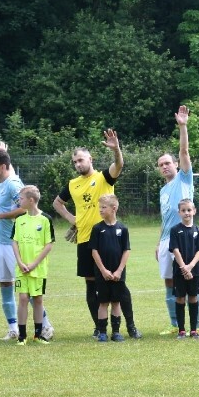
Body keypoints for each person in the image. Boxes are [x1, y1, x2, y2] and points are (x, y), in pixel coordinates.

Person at [53, 129, 139, 338]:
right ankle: (98, 328)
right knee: (91, 285)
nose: (78, 164)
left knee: (118, 285)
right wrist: (74, 220)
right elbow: (57, 203)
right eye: (75, 162)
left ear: (90, 159)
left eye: (81, 160)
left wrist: (116, 149)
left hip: (110, 240)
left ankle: (130, 326)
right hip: (86, 240)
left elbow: (119, 165)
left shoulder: (103, 178)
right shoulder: (72, 184)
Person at [0, 143, 53, 341]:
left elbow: (24, 209)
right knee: (5, 284)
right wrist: (4, 152)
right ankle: (13, 328)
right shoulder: (5, 181)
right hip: (2, 242)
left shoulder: (13, 184)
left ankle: (45, 326)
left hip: (15, 244)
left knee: (27, 288)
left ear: (2, 166)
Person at [156, 106, 194, 336]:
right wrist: (158, 242)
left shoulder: (184, 178)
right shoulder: (163, 191)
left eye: (167, 163)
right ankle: (174, 324)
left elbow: (184, 151)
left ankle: (193, 324)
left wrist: (182, 126)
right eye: (161, 165)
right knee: (169, 282)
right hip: (166, 242)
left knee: (189, 283)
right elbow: (165, 218)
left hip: (185, 240)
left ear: (176, 165)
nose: (164, 167)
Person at [10, 185, 55, 344]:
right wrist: (20, 262)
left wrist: (34, 263)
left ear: (31, 200)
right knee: (22, 298)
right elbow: (14, 242)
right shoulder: (19, 220)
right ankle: (22, 336)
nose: (18, 201)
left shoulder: (45, 219)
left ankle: (38, 335)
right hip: (22, 268)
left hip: (38, 269)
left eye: (21, 199)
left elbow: (48, 244)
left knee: (37, 299)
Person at [89, 194, 131, 342]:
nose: (100, 210)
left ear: (113, 209)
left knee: (116, 302)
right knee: (103, 302)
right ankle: (102, 332)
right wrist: (103, 270)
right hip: (102, 274)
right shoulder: (97, 229)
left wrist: (119, 270)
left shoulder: (123, 229)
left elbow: (126, 250)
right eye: (99, 207)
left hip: (118, 274)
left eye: (103, 207)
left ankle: (116, 332)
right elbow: (94, 251)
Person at [170, 199, 199, 339]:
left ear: (194, 211)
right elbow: (175, 249)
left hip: (194, 270)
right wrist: (184, 267)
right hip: (179, 270)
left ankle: (194, 330)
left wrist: (190, 267)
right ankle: (182, 330)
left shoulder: (198, 231)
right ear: (179, 212)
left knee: (193, 297)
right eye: (183, 210)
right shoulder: (175, 230)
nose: (186, 213)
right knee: (179, 298)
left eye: (189, 210)